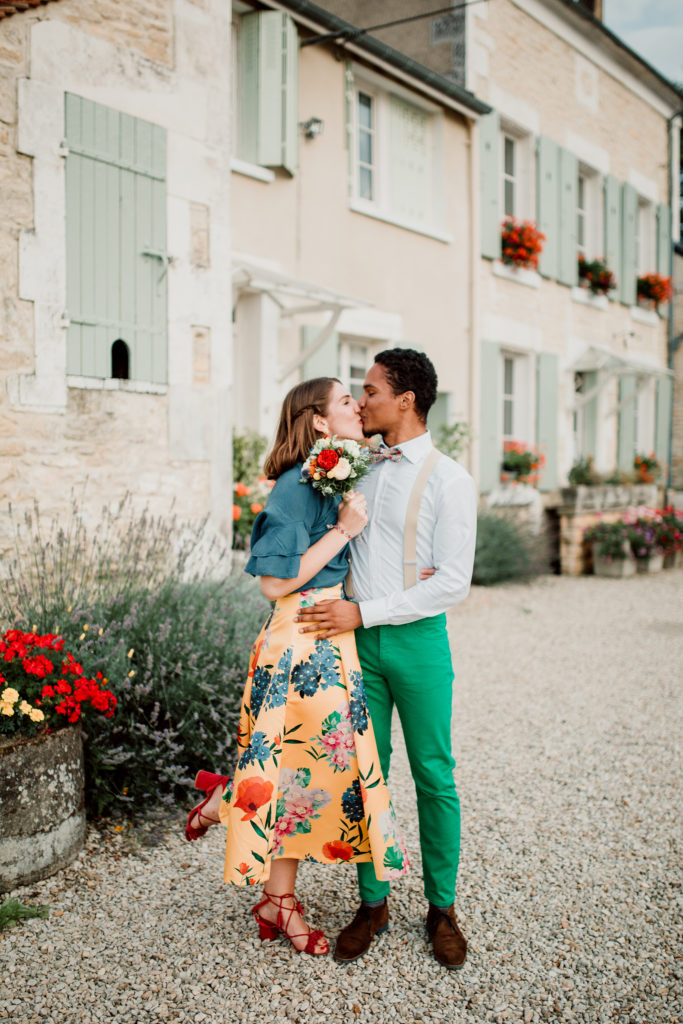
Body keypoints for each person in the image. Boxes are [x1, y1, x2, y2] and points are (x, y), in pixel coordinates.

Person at [184, 376, 409, 956]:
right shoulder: (293, 487)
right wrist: (343, 531)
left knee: (301, 774)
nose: (357, 406)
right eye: (344, 402)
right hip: (298, 639)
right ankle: (236, 819)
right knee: (299, 769)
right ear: (316, 422)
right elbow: (274, 582)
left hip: (332, 638)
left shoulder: (331, 474)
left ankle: (270, 888)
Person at [296, 348, 477, 969]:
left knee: (434, 773)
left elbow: (453, 583)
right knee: (362, 775)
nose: (361, 400)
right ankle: (372, 902)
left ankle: (442, 907)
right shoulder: (352, 466)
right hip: (354, 646)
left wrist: (365, 612)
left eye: (370, 390)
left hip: (419, 641)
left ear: (406, 399)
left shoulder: (451, 479)